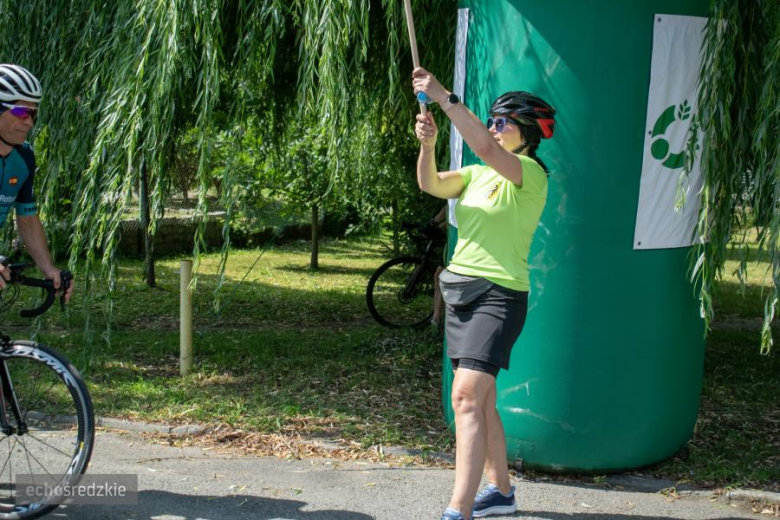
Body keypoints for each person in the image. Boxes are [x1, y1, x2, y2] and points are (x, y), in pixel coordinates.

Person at [412, 67, 555, 520]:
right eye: (491, 120)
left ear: (527, 132)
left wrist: (444, 97)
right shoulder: (475, 175)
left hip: (498, 295)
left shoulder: (530, 174)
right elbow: (430, 184)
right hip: (461, 292)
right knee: (482, 400)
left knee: (466, 398)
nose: (493, 128)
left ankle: (459, 509)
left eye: (502, 122)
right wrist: (428, 147)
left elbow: (485, 147)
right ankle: (502, 493)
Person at [0, 64, 73, 301]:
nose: (29, 123)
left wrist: (49, 269)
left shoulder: (24, 157)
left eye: (33, 114)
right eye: (22, 112)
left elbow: (27, 219)